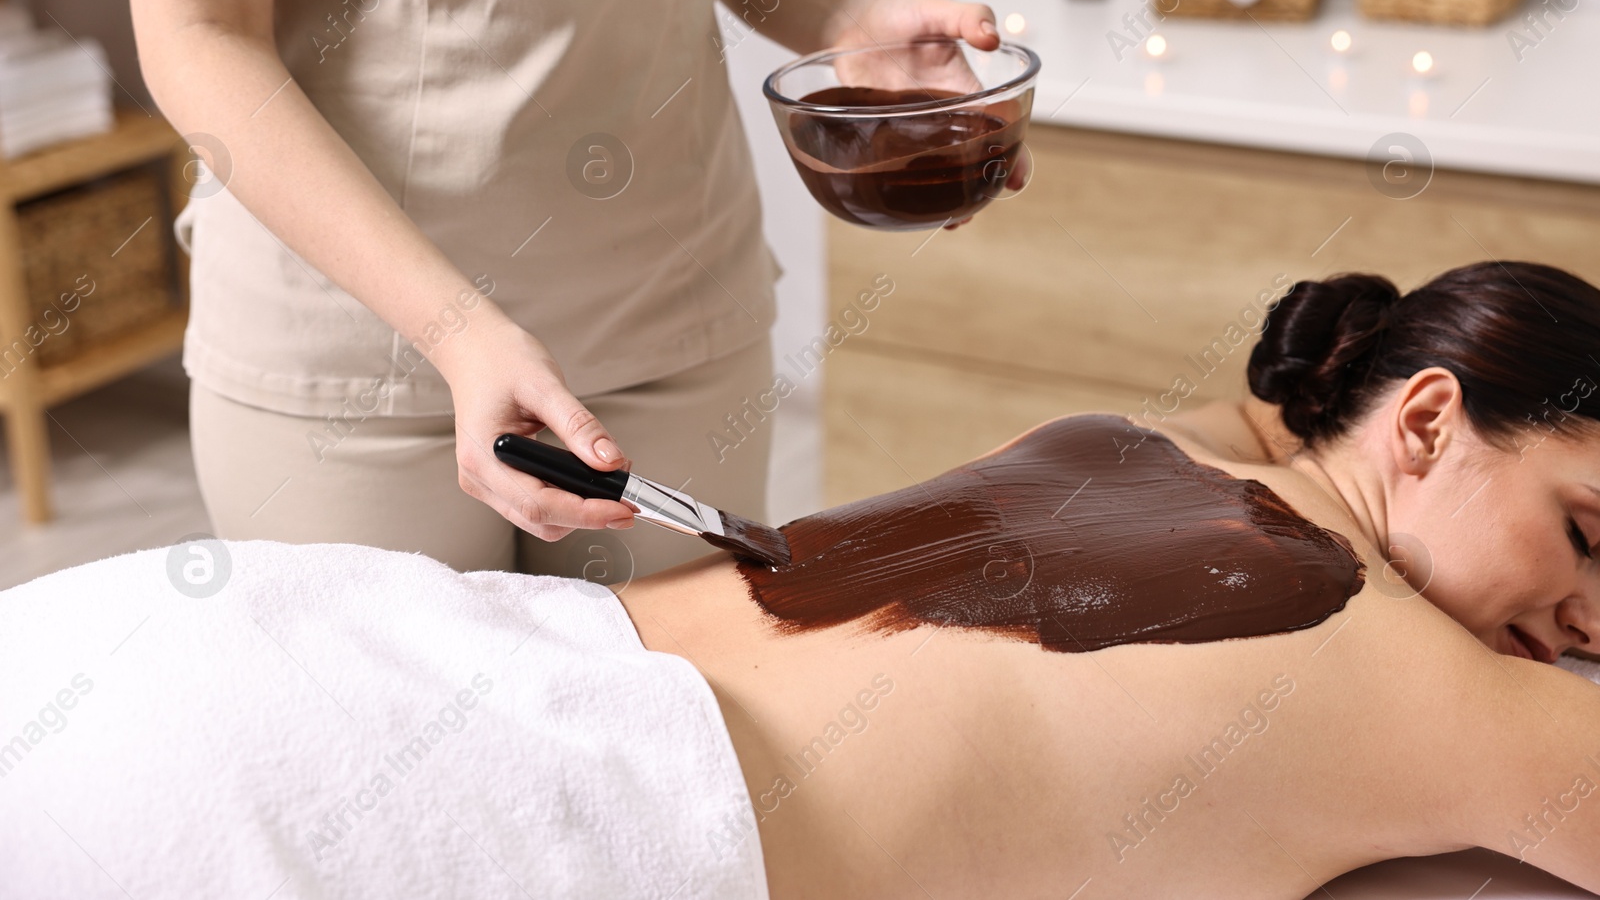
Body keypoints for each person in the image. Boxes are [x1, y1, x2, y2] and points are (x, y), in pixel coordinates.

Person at [3, 262, 1597, 898]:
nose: (1591, 622)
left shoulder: (1138, 440)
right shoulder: (1411, 680)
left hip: (289, 645)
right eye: (1587, 533)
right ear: (1432, 416)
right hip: (502, 824)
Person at [124, 0, 1020, 576]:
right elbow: (196, 29)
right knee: (406, 775)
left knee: (671, 756)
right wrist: (455, 328)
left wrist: (852, 12)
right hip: (360, 353)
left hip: (672, 305)